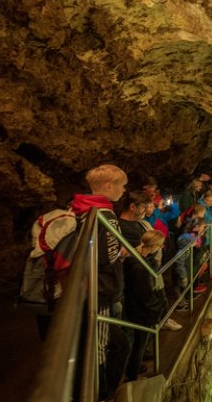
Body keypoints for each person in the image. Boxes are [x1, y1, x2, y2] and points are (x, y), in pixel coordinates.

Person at [71, 164, 130, 400]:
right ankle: (101, 392)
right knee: (101, 346)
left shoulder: (80, 208)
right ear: (108, 186)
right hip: (102, 288)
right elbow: (109, 255)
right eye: (122, 186)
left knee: (104, 342)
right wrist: (123, 251)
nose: (124, 191)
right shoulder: (105, 214)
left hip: (86, 284)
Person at [123, 231, 170, 381]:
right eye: (160, 245)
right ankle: (132, 374)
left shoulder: (133, 258)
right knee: (140, 342)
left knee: (137, 341)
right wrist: (158, 308)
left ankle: (135, 367)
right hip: (142, 311)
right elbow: (146, 294)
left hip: (133, 305)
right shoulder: (142, 268)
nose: (162, 247)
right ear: (155, 246)